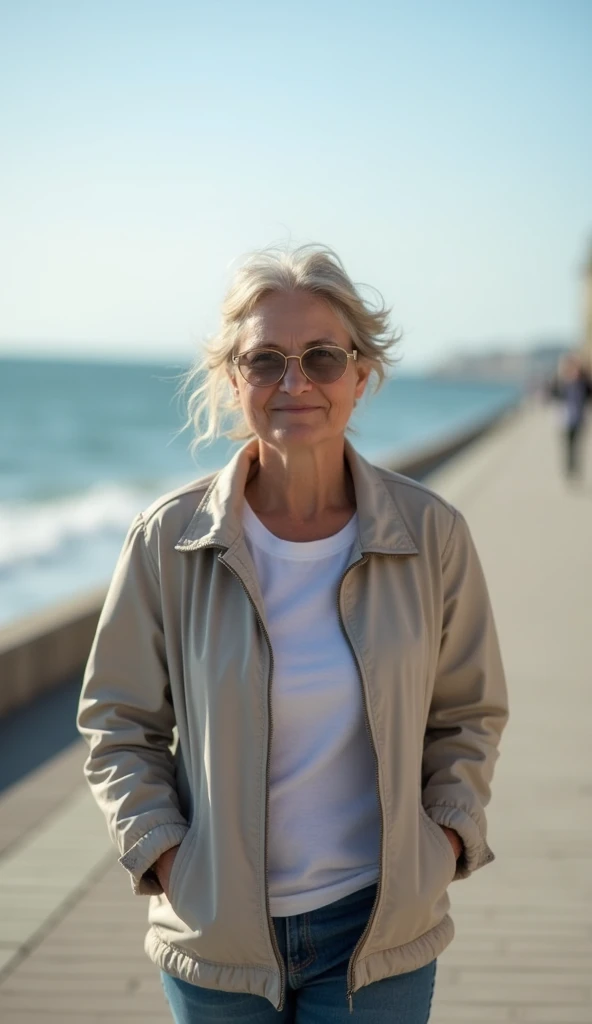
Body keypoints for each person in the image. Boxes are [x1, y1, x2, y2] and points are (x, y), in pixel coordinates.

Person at [77, 244, 509, 1024]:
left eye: (321, 357)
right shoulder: (167, 540)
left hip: (377, 932)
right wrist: (172, 862)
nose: (295, 382)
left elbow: (469, 715)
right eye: (266, 359)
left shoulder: (430, 533)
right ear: (233, 378)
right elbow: (118, 722)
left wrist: (441, 845)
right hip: (217, 940)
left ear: (362, 373)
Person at [556, 352, 591, 478]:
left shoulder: (584, 382)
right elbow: (555, 394)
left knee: (578, 445)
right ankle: (569, 468)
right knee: (568, 445)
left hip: (580, 418)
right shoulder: (563, 383)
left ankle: (576, 468)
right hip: (566, 419)